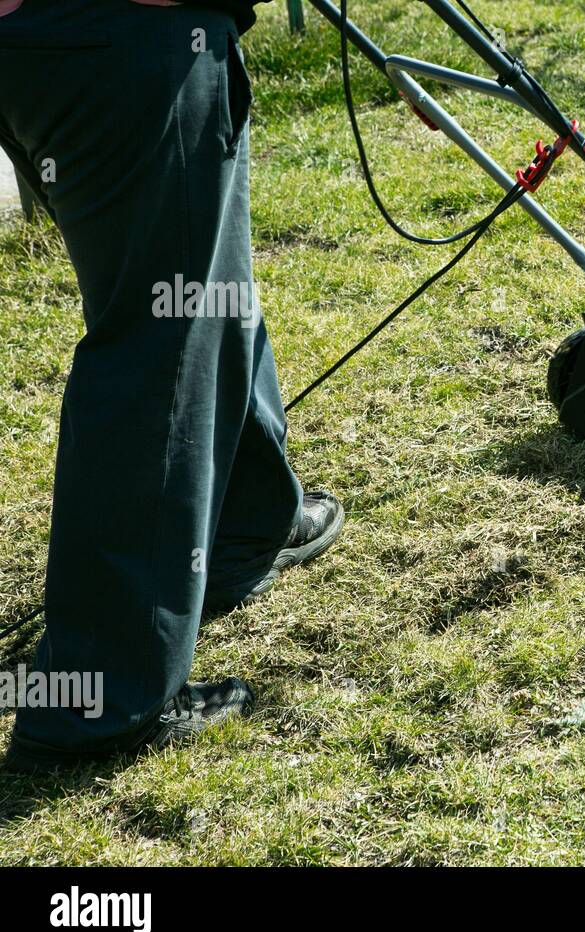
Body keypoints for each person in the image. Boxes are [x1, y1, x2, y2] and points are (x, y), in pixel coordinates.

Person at [0, 0, 342, 770]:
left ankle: (239, 529)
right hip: (122, 36)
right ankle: (98, 704)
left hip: (72, 37)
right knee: (154, 350)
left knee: (204, 283)